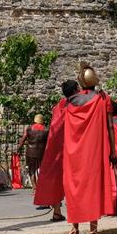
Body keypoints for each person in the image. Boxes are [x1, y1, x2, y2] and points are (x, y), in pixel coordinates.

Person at [62, 63, 117, 234]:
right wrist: (113, 149)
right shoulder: (102, 99)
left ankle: (75, 230)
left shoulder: (69, 102)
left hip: (73, 152)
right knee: (93, 187)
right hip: (93, 151)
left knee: (74, 187)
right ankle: (93, 232)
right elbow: (110, 126)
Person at [34, 79, 79, 222]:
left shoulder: (59, 106)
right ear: (74, 91)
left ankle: (57, 212)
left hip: (56, 147)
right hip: (70, 146)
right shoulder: (73, 106)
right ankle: (74, 210)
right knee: (74, 178)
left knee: (55, 178)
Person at [18, 114, 49, 189]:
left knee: (31, 169)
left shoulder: (29, 128)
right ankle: (41, 185)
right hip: (41, 152)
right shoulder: (46, 130)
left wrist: (19, 149)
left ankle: (34, 186)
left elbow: (22, 140)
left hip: (30, 152)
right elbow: (49, 142)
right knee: (41, 168)